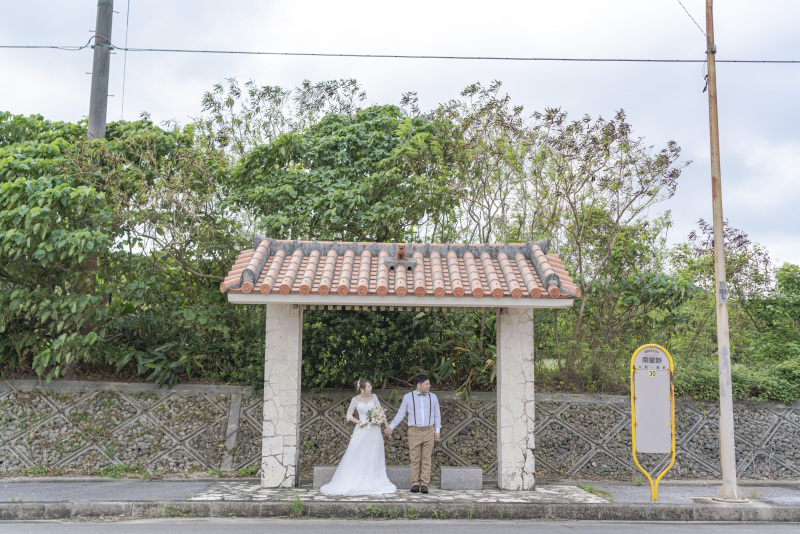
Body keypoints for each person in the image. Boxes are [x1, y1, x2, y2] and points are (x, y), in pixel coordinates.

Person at [320, 378, 396, 495]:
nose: (371, 388)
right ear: (362, 389)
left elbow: (381, 412)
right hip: (362, 430)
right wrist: (359, 422)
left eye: (370, 386)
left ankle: (373, 479)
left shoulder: (374, 397)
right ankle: (357, 479)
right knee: (358, 454)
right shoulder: (355, 400)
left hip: (374, 430)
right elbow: (349, 415)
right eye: (369, 386)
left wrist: (387, 426)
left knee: (374, 454)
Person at [385, 374, 441, 494]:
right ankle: (415, 483)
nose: (429, 386)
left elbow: (437, 414)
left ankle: (425, 484)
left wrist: (437, 430)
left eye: (429, 384)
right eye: (426, 384)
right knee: (415, 458)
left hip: (429, 430)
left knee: (426, 458)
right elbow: (401, 413)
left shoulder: (433, 397)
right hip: (414, 431)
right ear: (419, 385)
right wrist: (391, 427)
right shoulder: (408, 397)